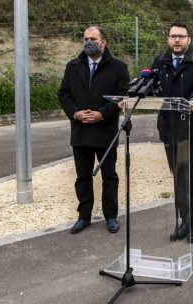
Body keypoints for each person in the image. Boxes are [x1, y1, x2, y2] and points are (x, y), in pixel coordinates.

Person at [58, 26, 129, 234]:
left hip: (105, 131)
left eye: (94, 38)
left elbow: (122, 95)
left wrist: (102, 114)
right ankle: (84, 216)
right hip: (80, 130)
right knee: (82, 176)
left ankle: (111, 216)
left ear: (103, 42)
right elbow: (63, 94)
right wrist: (76, 113)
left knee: (109, 176)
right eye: (86, 39)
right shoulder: (73, 66)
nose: (89, 42)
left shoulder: (118, 67)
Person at [151, 22, 193, 243]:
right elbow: (151, 84)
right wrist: (136, 93)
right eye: (173, 36)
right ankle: (184, 222)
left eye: (181, 36)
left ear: (189, 39)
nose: (176, 40)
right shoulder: (160, 61)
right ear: (168, 39)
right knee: (178, 179)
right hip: (170, 129)